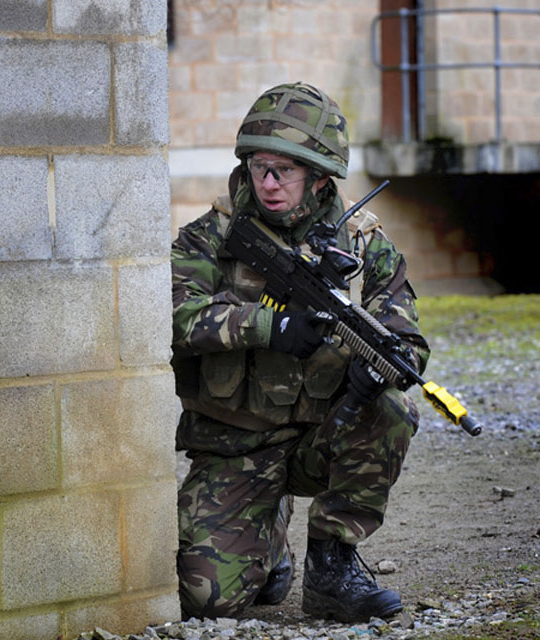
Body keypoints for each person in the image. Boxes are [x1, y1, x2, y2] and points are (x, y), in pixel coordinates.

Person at [171, 82, 429, 623]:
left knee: (393, 411)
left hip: (321, 435)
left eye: (283, 171)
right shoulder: (209, 239)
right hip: (233, 445)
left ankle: (333, 567)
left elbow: (405, 337)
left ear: (318, 176)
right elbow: (172, 316)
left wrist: (374, 373)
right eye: (259, 167)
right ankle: (267, 545)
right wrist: (268, 325)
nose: (267, 183)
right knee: (206, 600)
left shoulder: (362, 246)